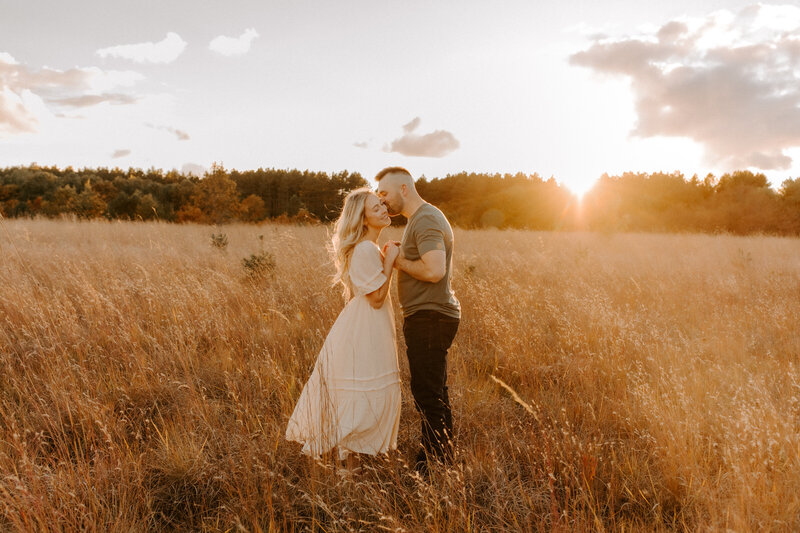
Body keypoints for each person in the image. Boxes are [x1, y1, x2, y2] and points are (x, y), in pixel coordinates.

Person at [285, 188, 402, 465]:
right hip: (364, 326)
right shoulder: (364, 249)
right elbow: (375, 298)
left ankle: (349, 470)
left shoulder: (369, 247)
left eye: (383, 205)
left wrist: (385, 259)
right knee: (360, 395)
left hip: (369, 326)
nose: (384, 210)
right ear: (362, 219)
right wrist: (390, 262)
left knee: (362, 393)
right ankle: (346, 472)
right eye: (376, 208)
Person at [375, 167, 460, 476]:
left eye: (385, 193)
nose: (381, 201)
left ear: (404, 189)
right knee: (435, 392)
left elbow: (435, 271)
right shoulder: (420, 220)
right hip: (430, 315)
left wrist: (397, 261)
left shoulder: (425, 219)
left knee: (428, 395)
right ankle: (444, 461)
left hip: (430, 316)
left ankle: (429, 469)